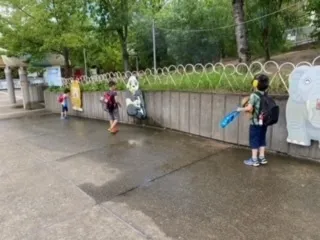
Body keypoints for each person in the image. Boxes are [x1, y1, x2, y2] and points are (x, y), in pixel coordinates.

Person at [237, 74, 270, 167]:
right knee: (262, 139)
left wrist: (239, 109)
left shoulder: (254, 95)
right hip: (264, 122)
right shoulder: (265, 94)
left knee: (254, 140)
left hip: (255, 122)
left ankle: (254, 159)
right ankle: (262, 158)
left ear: (255, 84)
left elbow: (249, 108)